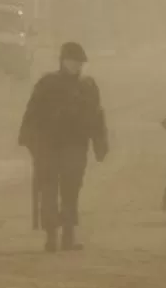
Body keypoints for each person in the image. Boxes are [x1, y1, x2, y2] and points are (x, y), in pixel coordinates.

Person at [18, 42, 108, 252]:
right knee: (48, 189)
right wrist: (29, 139)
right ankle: (51, 236)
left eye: (79, 63)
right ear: (63, 61)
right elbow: (32, 112)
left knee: (71, 189)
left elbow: (96, 116)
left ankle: (68, 234)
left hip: (76, 145)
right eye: (72, 61)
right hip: (48, 145)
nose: (76, 66)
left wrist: (100, 143)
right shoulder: (47, 84)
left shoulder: (88, 86)